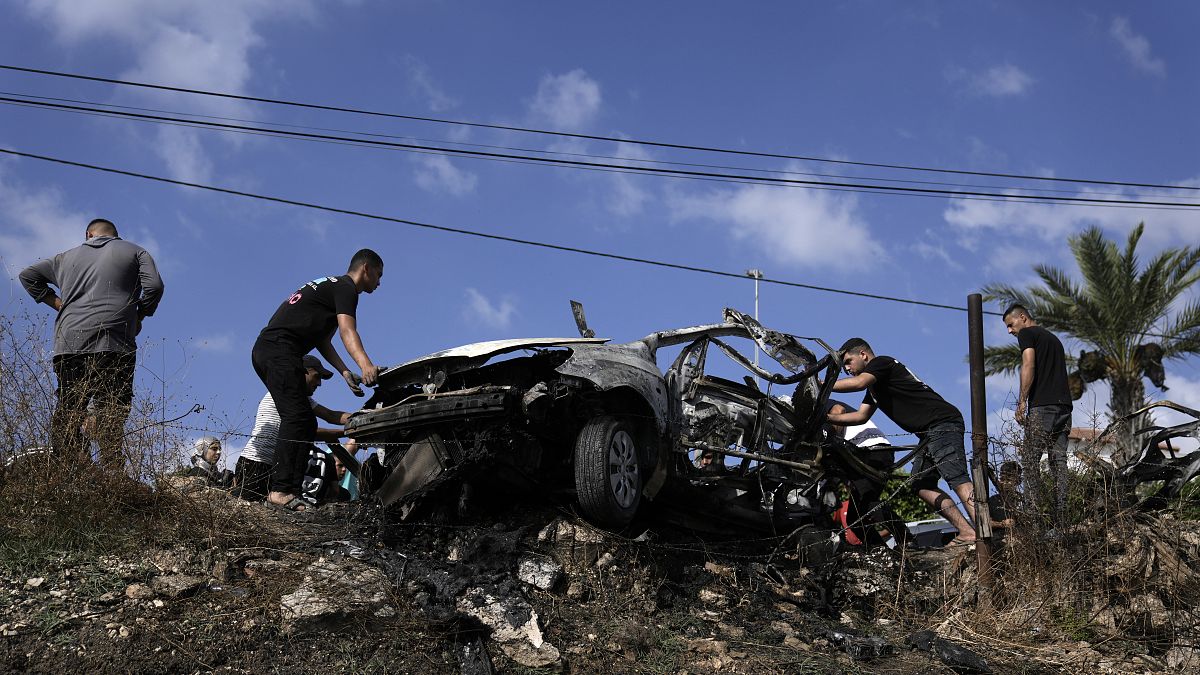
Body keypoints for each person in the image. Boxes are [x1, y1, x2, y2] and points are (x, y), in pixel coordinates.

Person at [19, 218, 164, 471]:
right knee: (112, 409)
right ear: (116, 236)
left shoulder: (64, 258)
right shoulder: (135, 251)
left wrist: (58, 304)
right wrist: (139, 314)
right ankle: (112, 473)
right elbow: (154, 286)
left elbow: (27, 275)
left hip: (70, 342)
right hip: (115, 342)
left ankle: (70, 469)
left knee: (69, 407)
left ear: (89, 234)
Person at [251, 249, 383, 511]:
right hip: (280, 350)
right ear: (365, 268)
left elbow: (323, 340)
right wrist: (366, 365)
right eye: (379, 275)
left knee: (304, 419)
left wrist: (345, 371)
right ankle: (280, 492)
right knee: (297, 418)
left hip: (271, 350)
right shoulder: (346, 289)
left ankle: (288, 489)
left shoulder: (330, 288)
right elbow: (348, 331)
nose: (379, 283)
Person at [827, 338, 977, 547]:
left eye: (848, 362)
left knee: (956, 476)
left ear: (863, 354)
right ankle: (967, 532)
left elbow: (858, 382)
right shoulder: (875, 388)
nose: (847, 368)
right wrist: (826, 419)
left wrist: (823, 385)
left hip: (942, 422)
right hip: (927, 434)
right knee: (921, 485)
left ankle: (984, 528)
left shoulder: (881, 363)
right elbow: (860, 416)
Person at [234, 355, 354, 502]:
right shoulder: (285, 393)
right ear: (302, 372)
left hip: (272, 466)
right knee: (247, 512)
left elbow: (330, 415)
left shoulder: (299, 398)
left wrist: (362, 419)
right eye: (316, 377)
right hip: (256, 464)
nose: (319, 383)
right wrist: (349, 430)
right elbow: (303, 432)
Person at [1002, 304, 1072, 526]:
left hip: (1043, 407)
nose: (1010, 331)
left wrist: (1022, 401)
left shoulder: (1028, 334)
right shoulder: (1053, 339)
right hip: (1064, 408)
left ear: (1022, 318)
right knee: (1059, 462)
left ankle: (1035, 517)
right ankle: (1062, 517)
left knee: (1030, 460)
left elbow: (1028, 364)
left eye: (1010, 325)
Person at [825, 399, 912, 548]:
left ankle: (906, 540)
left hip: (871, 450)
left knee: (867, 503)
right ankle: (879, 549)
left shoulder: (820, 406)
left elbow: (839, 411)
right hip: (865, 453)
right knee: (855, 517)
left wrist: (830, 438)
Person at [988, 460, 1022, 531]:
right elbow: (986, 523)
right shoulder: (993, 500)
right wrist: (1002, 524)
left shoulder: (1022, 500)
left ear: (1017, 481)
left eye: (1009, 479)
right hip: (998, 539)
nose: (1005, 483)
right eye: (1002, 479)